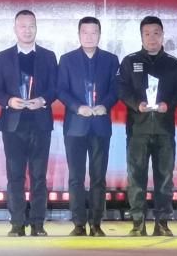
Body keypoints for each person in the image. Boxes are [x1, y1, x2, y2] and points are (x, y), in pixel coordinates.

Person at [0, 9, 59, 236]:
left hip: (40, 123)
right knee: (15, 176)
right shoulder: (3, 57)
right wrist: (9, 101)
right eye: (23, 26)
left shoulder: (48, 56)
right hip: (13, 124)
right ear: (15, 29)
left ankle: (38, 223)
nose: (27, 30)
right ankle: (17, 223)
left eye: (31, 26)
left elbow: (56, 87)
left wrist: (43, 100)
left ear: (36, 28)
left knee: (39, 176)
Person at [118, 15, 177, 237]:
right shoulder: (130, 61)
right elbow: (121, 89)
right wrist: (135, 104)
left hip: (164, 130)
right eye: (147, 34)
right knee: (136, 177)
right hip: (137, 130)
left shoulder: (173, 63)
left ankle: (162, 222)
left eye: (156, 33)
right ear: (141, 36)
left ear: (162, 35)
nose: (152, 38)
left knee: (165, 178)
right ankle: (138, 222)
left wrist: (169, 104)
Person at [57, 16, 120, 236]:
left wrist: (105, 105)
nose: (89, 36)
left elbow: (116, 89)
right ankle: (78, 224)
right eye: (85, 32)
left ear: (100, 34)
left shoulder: (111, 60)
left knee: (98, 177)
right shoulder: (67, 60)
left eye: (94, 32)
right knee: (76, 177)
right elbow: (61, 89)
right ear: (79, 34)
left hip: (100, 126)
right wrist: (77, 107)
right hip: (75, 127)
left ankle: (96, 223)